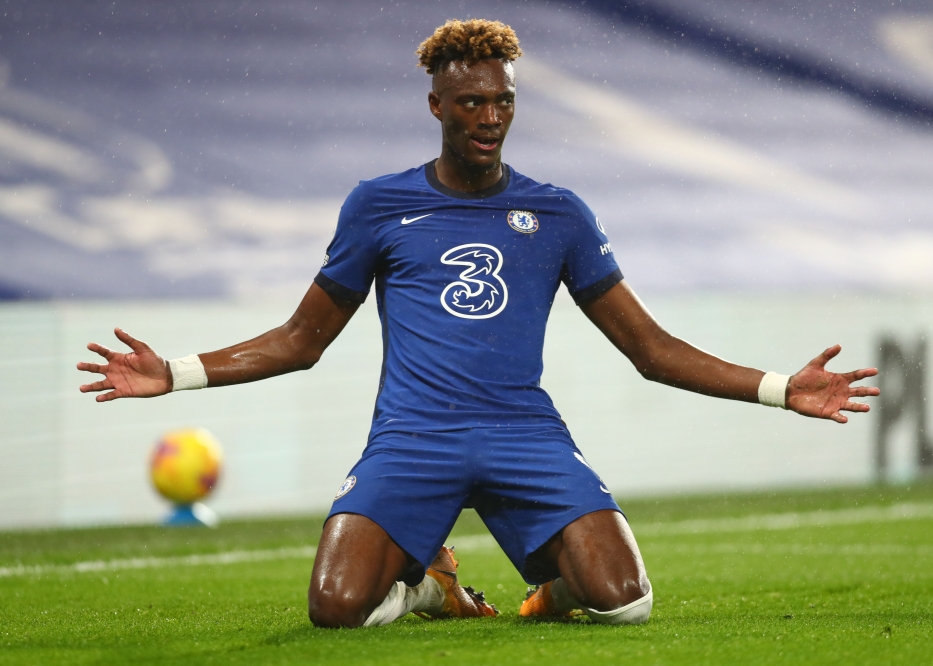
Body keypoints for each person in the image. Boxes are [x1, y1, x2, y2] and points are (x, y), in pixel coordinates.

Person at [77, 19, 879, 629]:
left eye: (503, 101)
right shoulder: (378, 204)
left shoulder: (557, 212)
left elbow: (652, 349)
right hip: (413, 436)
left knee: (623, 602)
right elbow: (301, 341)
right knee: (336, 609)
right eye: (472, 103)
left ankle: (547, 593)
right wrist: (176, 373)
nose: (490, 117)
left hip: (521, 432)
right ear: (437, 106)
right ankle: (430, 582)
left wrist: (780, 387)